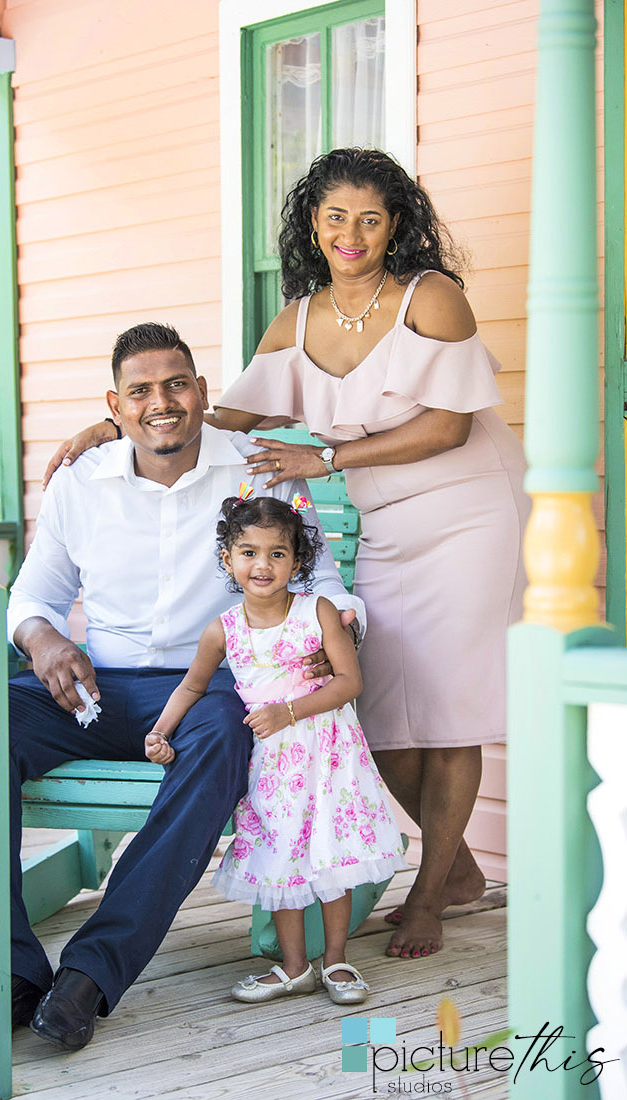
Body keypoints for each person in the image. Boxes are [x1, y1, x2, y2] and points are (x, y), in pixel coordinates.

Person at [46, 148, 527, 960]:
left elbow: (448, 426)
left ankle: (430, 900)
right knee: (373, 708)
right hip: (386, 525)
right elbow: (224, 413)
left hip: (467, 510)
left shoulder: (430, 298)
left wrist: (326, 460)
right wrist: (119, 424)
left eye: (370, 219)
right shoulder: (296, 317)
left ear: (395, 226)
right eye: (335, 217)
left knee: (446, 716)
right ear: (312, 224)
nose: (351, 234)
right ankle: (462, 870)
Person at [6, 321, 365, 1052]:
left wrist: (338, 629)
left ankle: (88, 976)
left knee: (226, 739)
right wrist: (42, 640)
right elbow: (32, 598)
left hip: (209, 692)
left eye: (175, 384)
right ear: (116, 403)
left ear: (202, 393)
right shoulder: (83, 481)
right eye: (140, 390)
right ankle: (12, 970)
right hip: (92, 685)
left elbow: (321, 579)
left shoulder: (259, 470)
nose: (160, 402)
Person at [146, 494, 406, 1007]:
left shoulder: (318, 611)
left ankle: (335, 959)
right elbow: (191, 688)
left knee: (332, 853)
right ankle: (292, 967)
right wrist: (161, 731)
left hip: (329, 754)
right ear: (227, 559)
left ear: (298, 560)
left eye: (278, 553)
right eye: (248, 551)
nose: (262, 565)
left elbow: (349, 681)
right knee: (278, 857)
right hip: (272, 766)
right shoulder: (222, 629)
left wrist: (289, 712)